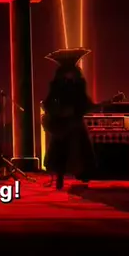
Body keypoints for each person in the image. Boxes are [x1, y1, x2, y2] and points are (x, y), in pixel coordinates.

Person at [42, 48, 97, 190]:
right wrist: (57, 111)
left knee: (81, 147)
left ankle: (83, 175)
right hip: (61, 123)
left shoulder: (79, 84)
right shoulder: (56, 85)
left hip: (75, 120)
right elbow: (48, 102)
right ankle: (60, 177)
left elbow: (84, 101)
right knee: (60, 151)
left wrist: (87, 107)